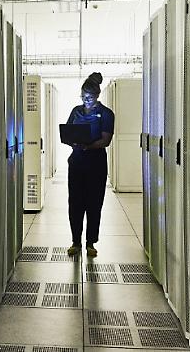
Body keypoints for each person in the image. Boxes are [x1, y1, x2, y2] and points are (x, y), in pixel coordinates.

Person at [64, 72, 115, 257]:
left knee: (94, 204)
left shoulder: (107, 114)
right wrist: (73, 142)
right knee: (75, 203)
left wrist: (88, 145)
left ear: (97, 95)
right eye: (83, 96)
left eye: (90, 97)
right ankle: (75, 241)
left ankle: (90, 243)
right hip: (77, 163)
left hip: (96, 164)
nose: (86, 100)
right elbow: (68, 131)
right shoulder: (76, 111)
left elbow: (106, 140)